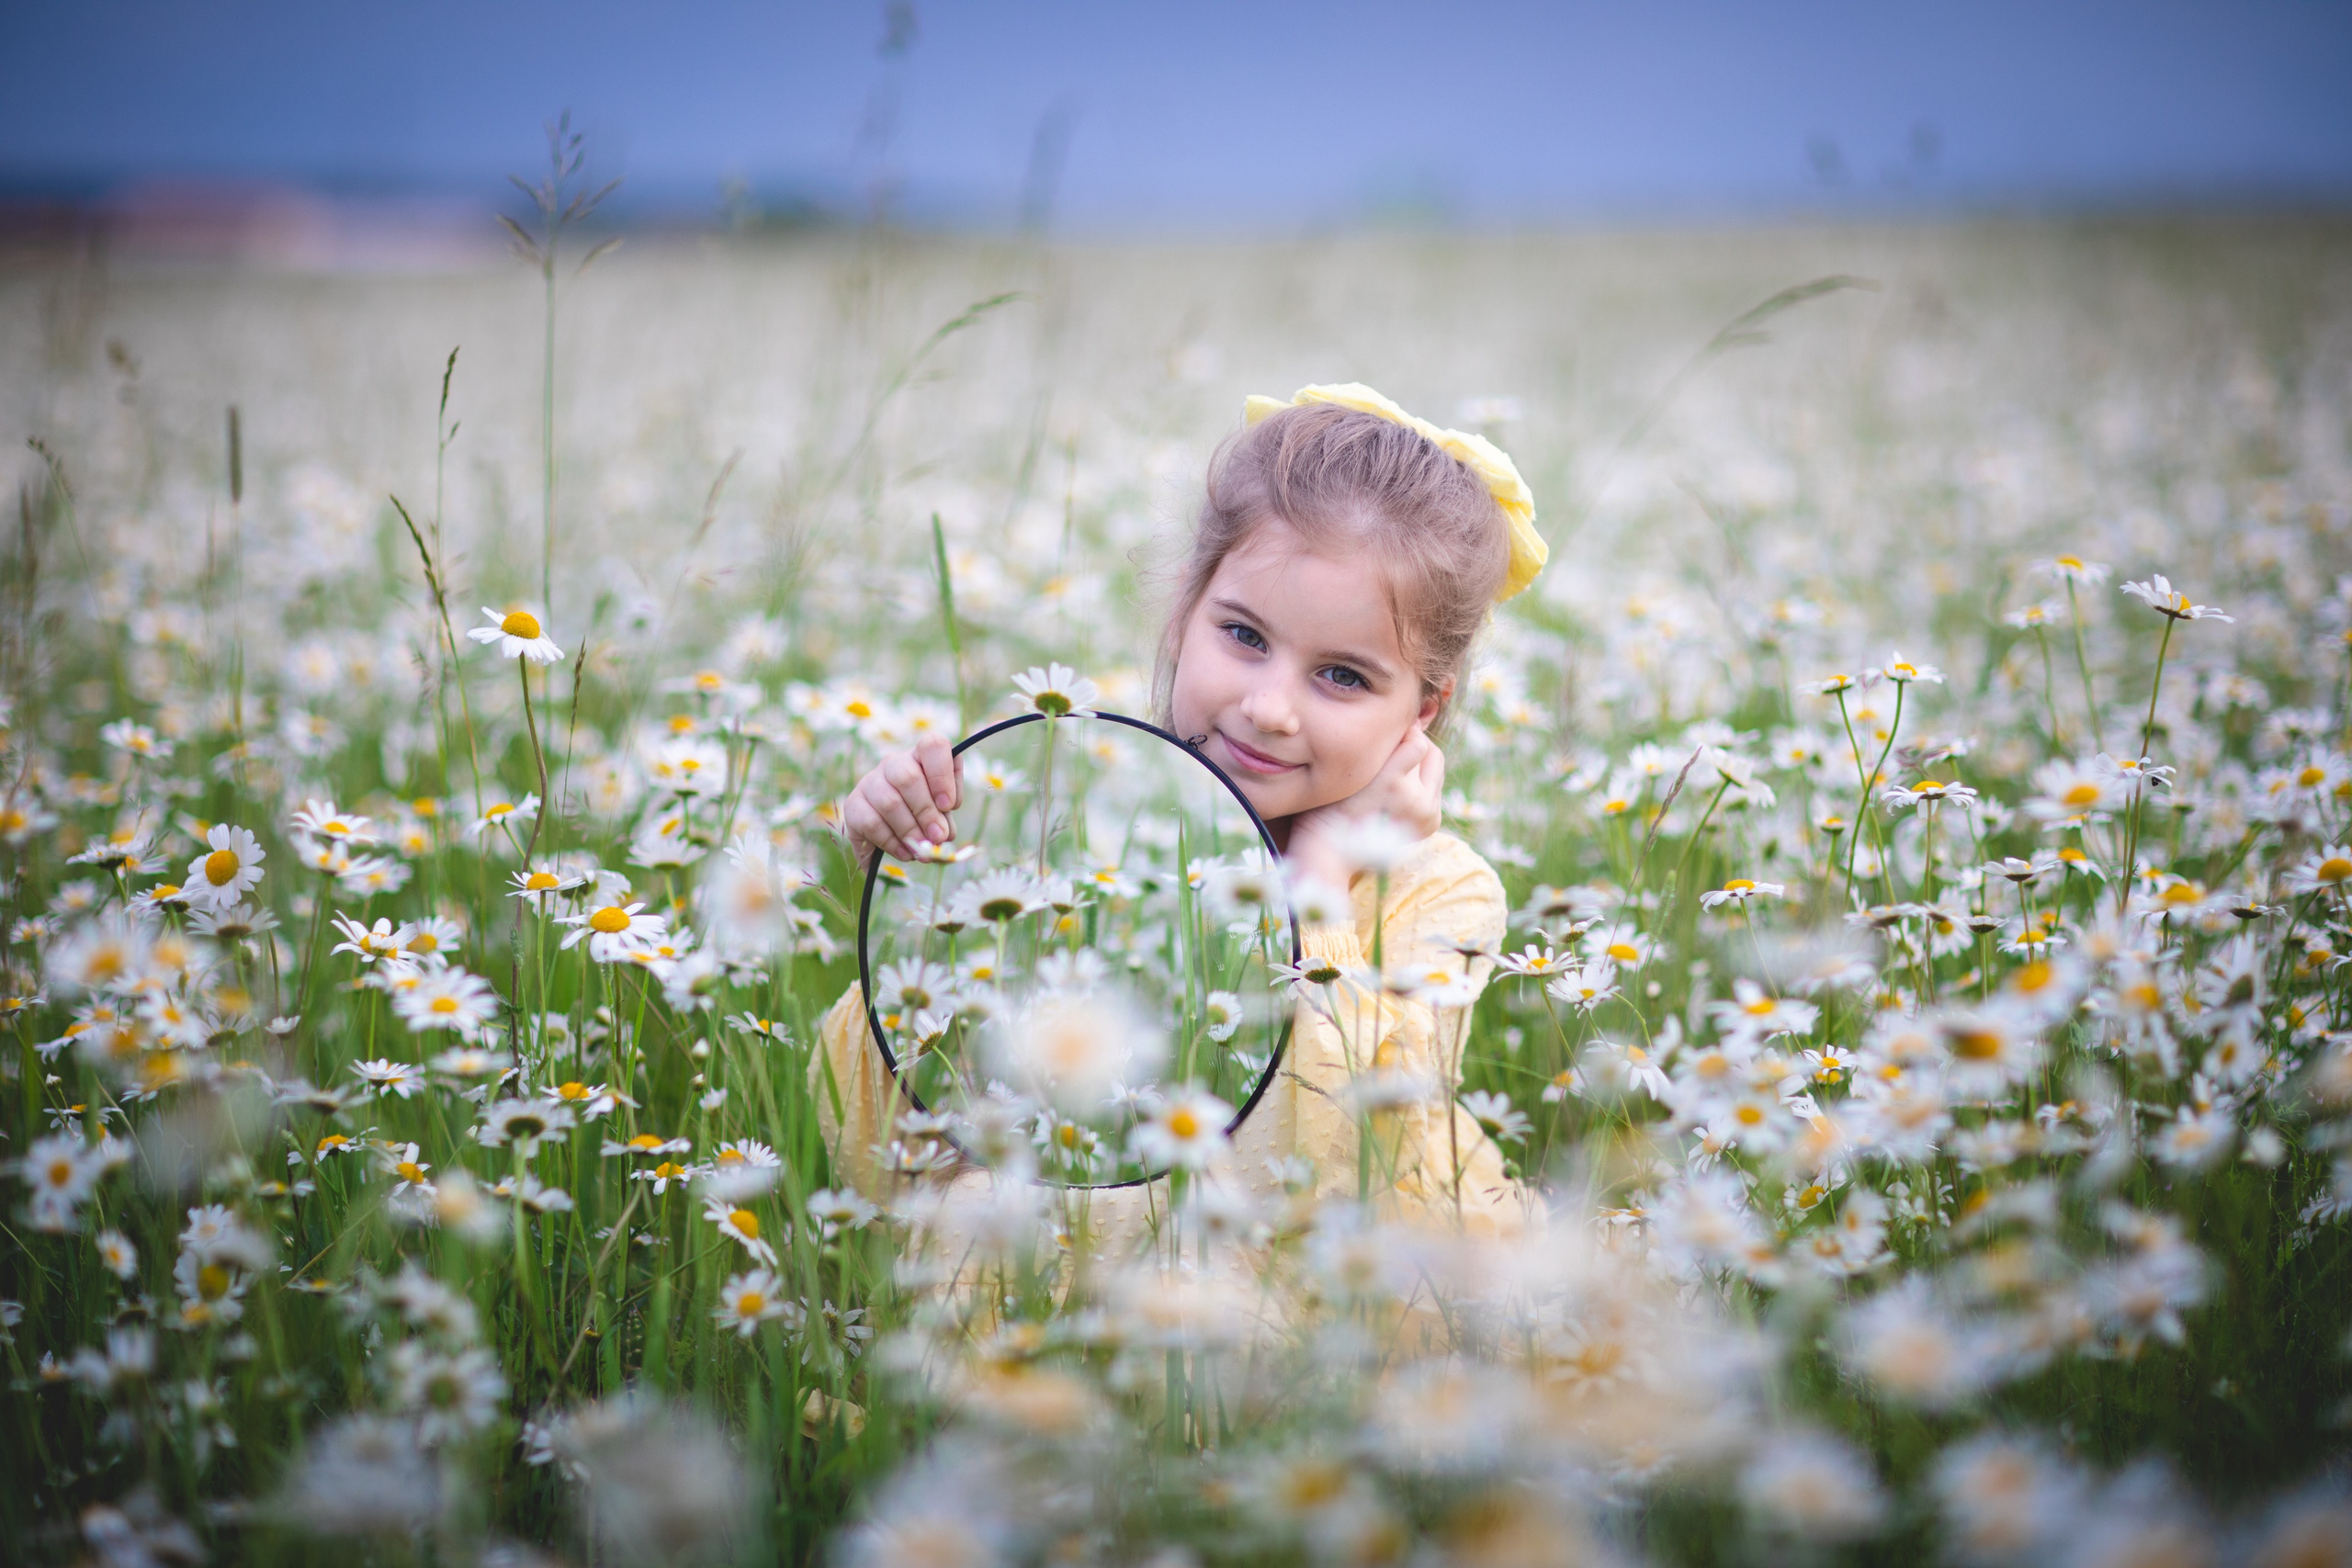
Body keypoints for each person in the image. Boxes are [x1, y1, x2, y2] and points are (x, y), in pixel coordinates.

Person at [814, 383, 1551, 1255]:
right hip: (1063, 1278)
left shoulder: (1442, 894)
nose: (1270, 707)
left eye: (1343, 676)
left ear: (1424, 709)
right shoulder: (1068, 831)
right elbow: (874, 1151)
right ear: (1181, 612)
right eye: (1244, 636)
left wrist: (1316, 881)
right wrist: (909, 900)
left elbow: (1360, 1168)